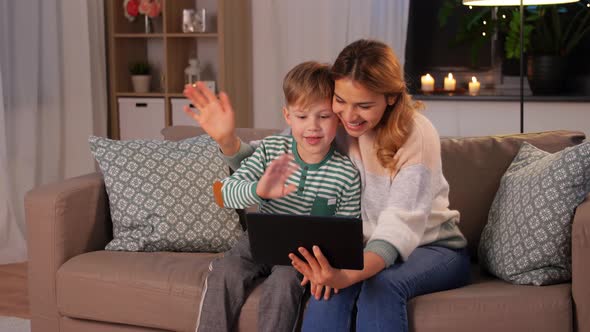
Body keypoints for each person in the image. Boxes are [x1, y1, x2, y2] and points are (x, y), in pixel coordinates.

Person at [184, 39, 471, 332]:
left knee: (379, 287)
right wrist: (227, 141)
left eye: (364, 105)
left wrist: (346, 275)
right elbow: (270, 159)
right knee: (326, 294)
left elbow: (398, 229)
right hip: (359, 247)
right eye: (341, 102)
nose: (348, 116)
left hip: (431, 247)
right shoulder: (330, 124)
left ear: (391, 98)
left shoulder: (416, 134)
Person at [184, 61, 361, 332]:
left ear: (337, 118)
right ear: (287, 117)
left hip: (303, 254)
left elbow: (348, 234)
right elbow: (226, 194)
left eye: (323, 116)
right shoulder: (270, 150)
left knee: (283, 283)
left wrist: (328, 267)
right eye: (302, 116)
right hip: (259, 241)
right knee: (224, 273)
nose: (312, 127)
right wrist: (259, 190)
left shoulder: (346, 173)